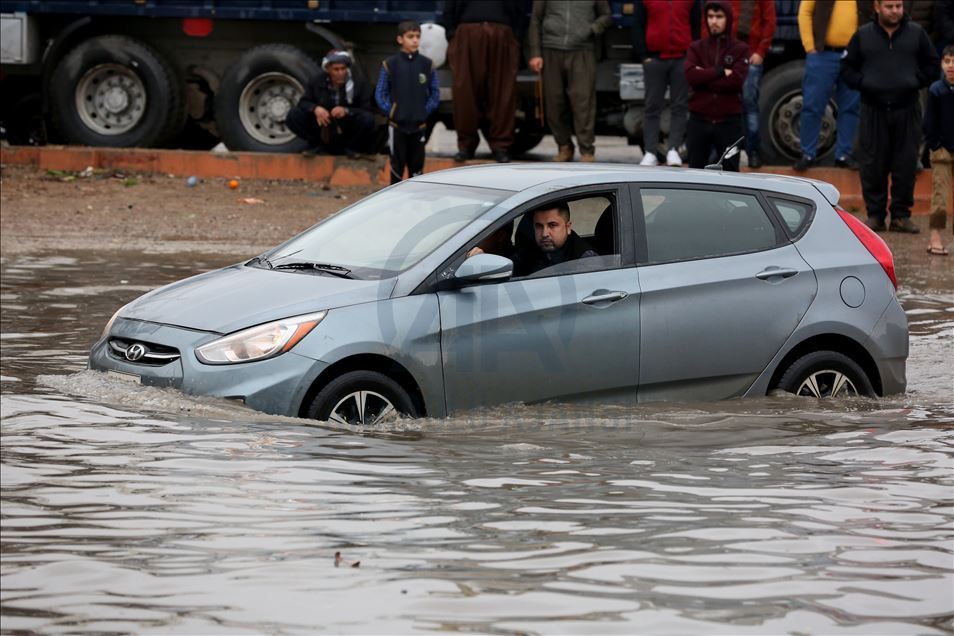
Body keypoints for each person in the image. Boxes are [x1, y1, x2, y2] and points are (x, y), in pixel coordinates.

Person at [841, 0, 938, 234]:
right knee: (873, 165)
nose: (895, 11)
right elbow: (847, 69)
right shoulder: (863, 35)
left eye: (898, 6)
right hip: (873, 110)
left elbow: (933, 65)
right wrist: (864, 83)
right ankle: (875, 216)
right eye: (889, 6)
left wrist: (916, 81)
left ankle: (901, 216)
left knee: (905, 165)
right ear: (877, 7)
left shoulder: (917, 34)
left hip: (907, 109)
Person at [527, 0, 612, 162]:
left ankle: (587, 151)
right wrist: (535, 52)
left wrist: (592, 29)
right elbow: (535, 20)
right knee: (553, 103)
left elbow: (606, 16)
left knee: (583, 104)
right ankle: (564, 146)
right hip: (551, 50)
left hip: (582, 51)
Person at [442, 0, 524, 163]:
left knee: (503, 94)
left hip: (502, 34)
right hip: (467, 33)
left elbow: (519, 10)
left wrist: (516, 37)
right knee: (465, 92)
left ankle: (501, 146)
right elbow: (449, 7)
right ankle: (466, 145)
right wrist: (452, 34)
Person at [795, 0, 867, 171]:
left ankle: (843, 155)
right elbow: (805, 12)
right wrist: (810, 47)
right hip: (822, 54)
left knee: (851, 107)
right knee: (813, 105)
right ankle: (808, 154)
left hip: (854, 56)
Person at [633, 0, 701, 166]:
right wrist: (643, 56)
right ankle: (650, 152)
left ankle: (673, 150)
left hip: (682, 59)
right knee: (652, 106)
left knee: (680, 106)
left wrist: (692, 56)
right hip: (655, 59)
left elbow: (697, 25)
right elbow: (638, 24)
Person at [684, 1, 749, 172]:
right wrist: (720, 71)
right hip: (699, 120)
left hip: (729, 122)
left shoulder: (740, 49)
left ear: (727, 19)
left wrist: (704, 76)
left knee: (730, 173)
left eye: (719, 17)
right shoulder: (696, 47)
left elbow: (735, 81)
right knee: (694, 174)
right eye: (710, 17)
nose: (714, 21)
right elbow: (691, 76)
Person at [375, 20, 441, 184]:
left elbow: (435, 93)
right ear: (400, 39)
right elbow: (380, 93)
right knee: (397, 168)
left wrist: (424, 111)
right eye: (410, 36)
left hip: (419, 127)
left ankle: (416, 203)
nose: (415, 40)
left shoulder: (427, 64)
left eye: (418, 36)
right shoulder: (390, 64)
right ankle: (396, 204)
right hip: (397, 127)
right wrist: (392, 112)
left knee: (417, 170)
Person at [286, 50, 376, 159]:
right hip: (324, 127)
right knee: (294, 115)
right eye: (336, 69)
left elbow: (367, 109)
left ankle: (352, 149)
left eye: (343, 69)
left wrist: (346, 111)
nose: (340, 73)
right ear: (328, 69)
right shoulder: (316, 81)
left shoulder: (358, 83)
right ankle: (317, 146)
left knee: (367, 119)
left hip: (346, 127)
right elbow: (304, 102)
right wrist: (316, 109)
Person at [730, 0, 776, 168]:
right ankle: (724, 152)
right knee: (725, 106)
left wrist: (760, 52)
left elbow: (770, 21)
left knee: (749, 106)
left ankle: (753, 152)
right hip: (725, 55)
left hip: (750, 57)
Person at [924, 45, 954, 255]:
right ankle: (935, 237)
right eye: (947, 61)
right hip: (942, 151)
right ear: (942, 64)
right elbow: (929, 122)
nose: (951, 66)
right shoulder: (936, 90)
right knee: (940, 197)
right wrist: (935, 145)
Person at [513, 204, 598, 276]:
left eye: (552, 225)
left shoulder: (585, 259)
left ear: (568, 227)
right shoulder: (530, 249)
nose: (544, 233)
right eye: (539, 226)